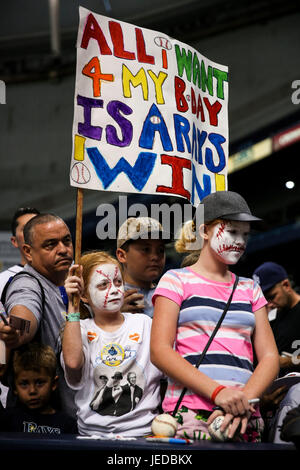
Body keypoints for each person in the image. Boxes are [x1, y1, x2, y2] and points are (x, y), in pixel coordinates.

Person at [150, 190, 279, 442]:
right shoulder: (176, 280)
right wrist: (219, 392)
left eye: (245, 234)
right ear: (204, 231)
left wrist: (244, 401)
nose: (240, 241)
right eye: (232, 231)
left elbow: (270, 356)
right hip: (190, 414)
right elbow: (160, 351)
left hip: (243, 418)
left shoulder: (250, 288)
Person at [61, 251, 163, 438]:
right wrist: (73, 305)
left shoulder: (144, 324)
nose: (115, 290)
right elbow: (73, 363)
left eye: (118, 282)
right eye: (103, 285)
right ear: (84, 295)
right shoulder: (78, 329)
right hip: (92, 437)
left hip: (142, 433)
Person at [0, 213, 75, 416]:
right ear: (28, 252)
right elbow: (22, 320)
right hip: (39, 426)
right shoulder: (27, 283)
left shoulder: (77, 279)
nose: (63, 249)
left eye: (66, 241)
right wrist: (14, 329)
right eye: (50, 244)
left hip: (81, 419)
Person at [253, 261, 300, 444]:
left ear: (286, 285)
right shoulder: (272, 319)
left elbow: (280, 361)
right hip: (275, 405)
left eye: (272, 296)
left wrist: (286, 362)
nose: (270, 303)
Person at [0, 342, 77, 434]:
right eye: (24, 384)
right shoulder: (7, 419)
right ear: (15, 387)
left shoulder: (67, 425)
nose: (32, 391)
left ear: (53, 384)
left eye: (39, 383)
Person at [116, 216, 167, 318]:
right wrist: (113, 317)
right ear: (122, 255)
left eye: (161, 250)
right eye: (146, 249)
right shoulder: (107, 297)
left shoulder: (170, 293)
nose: (155, 257)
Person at [0, 207, 40, 297]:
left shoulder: (63, 274)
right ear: (15, 241)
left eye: (37, 227)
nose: (32, 233)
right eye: (26, 228)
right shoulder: (2, 281)